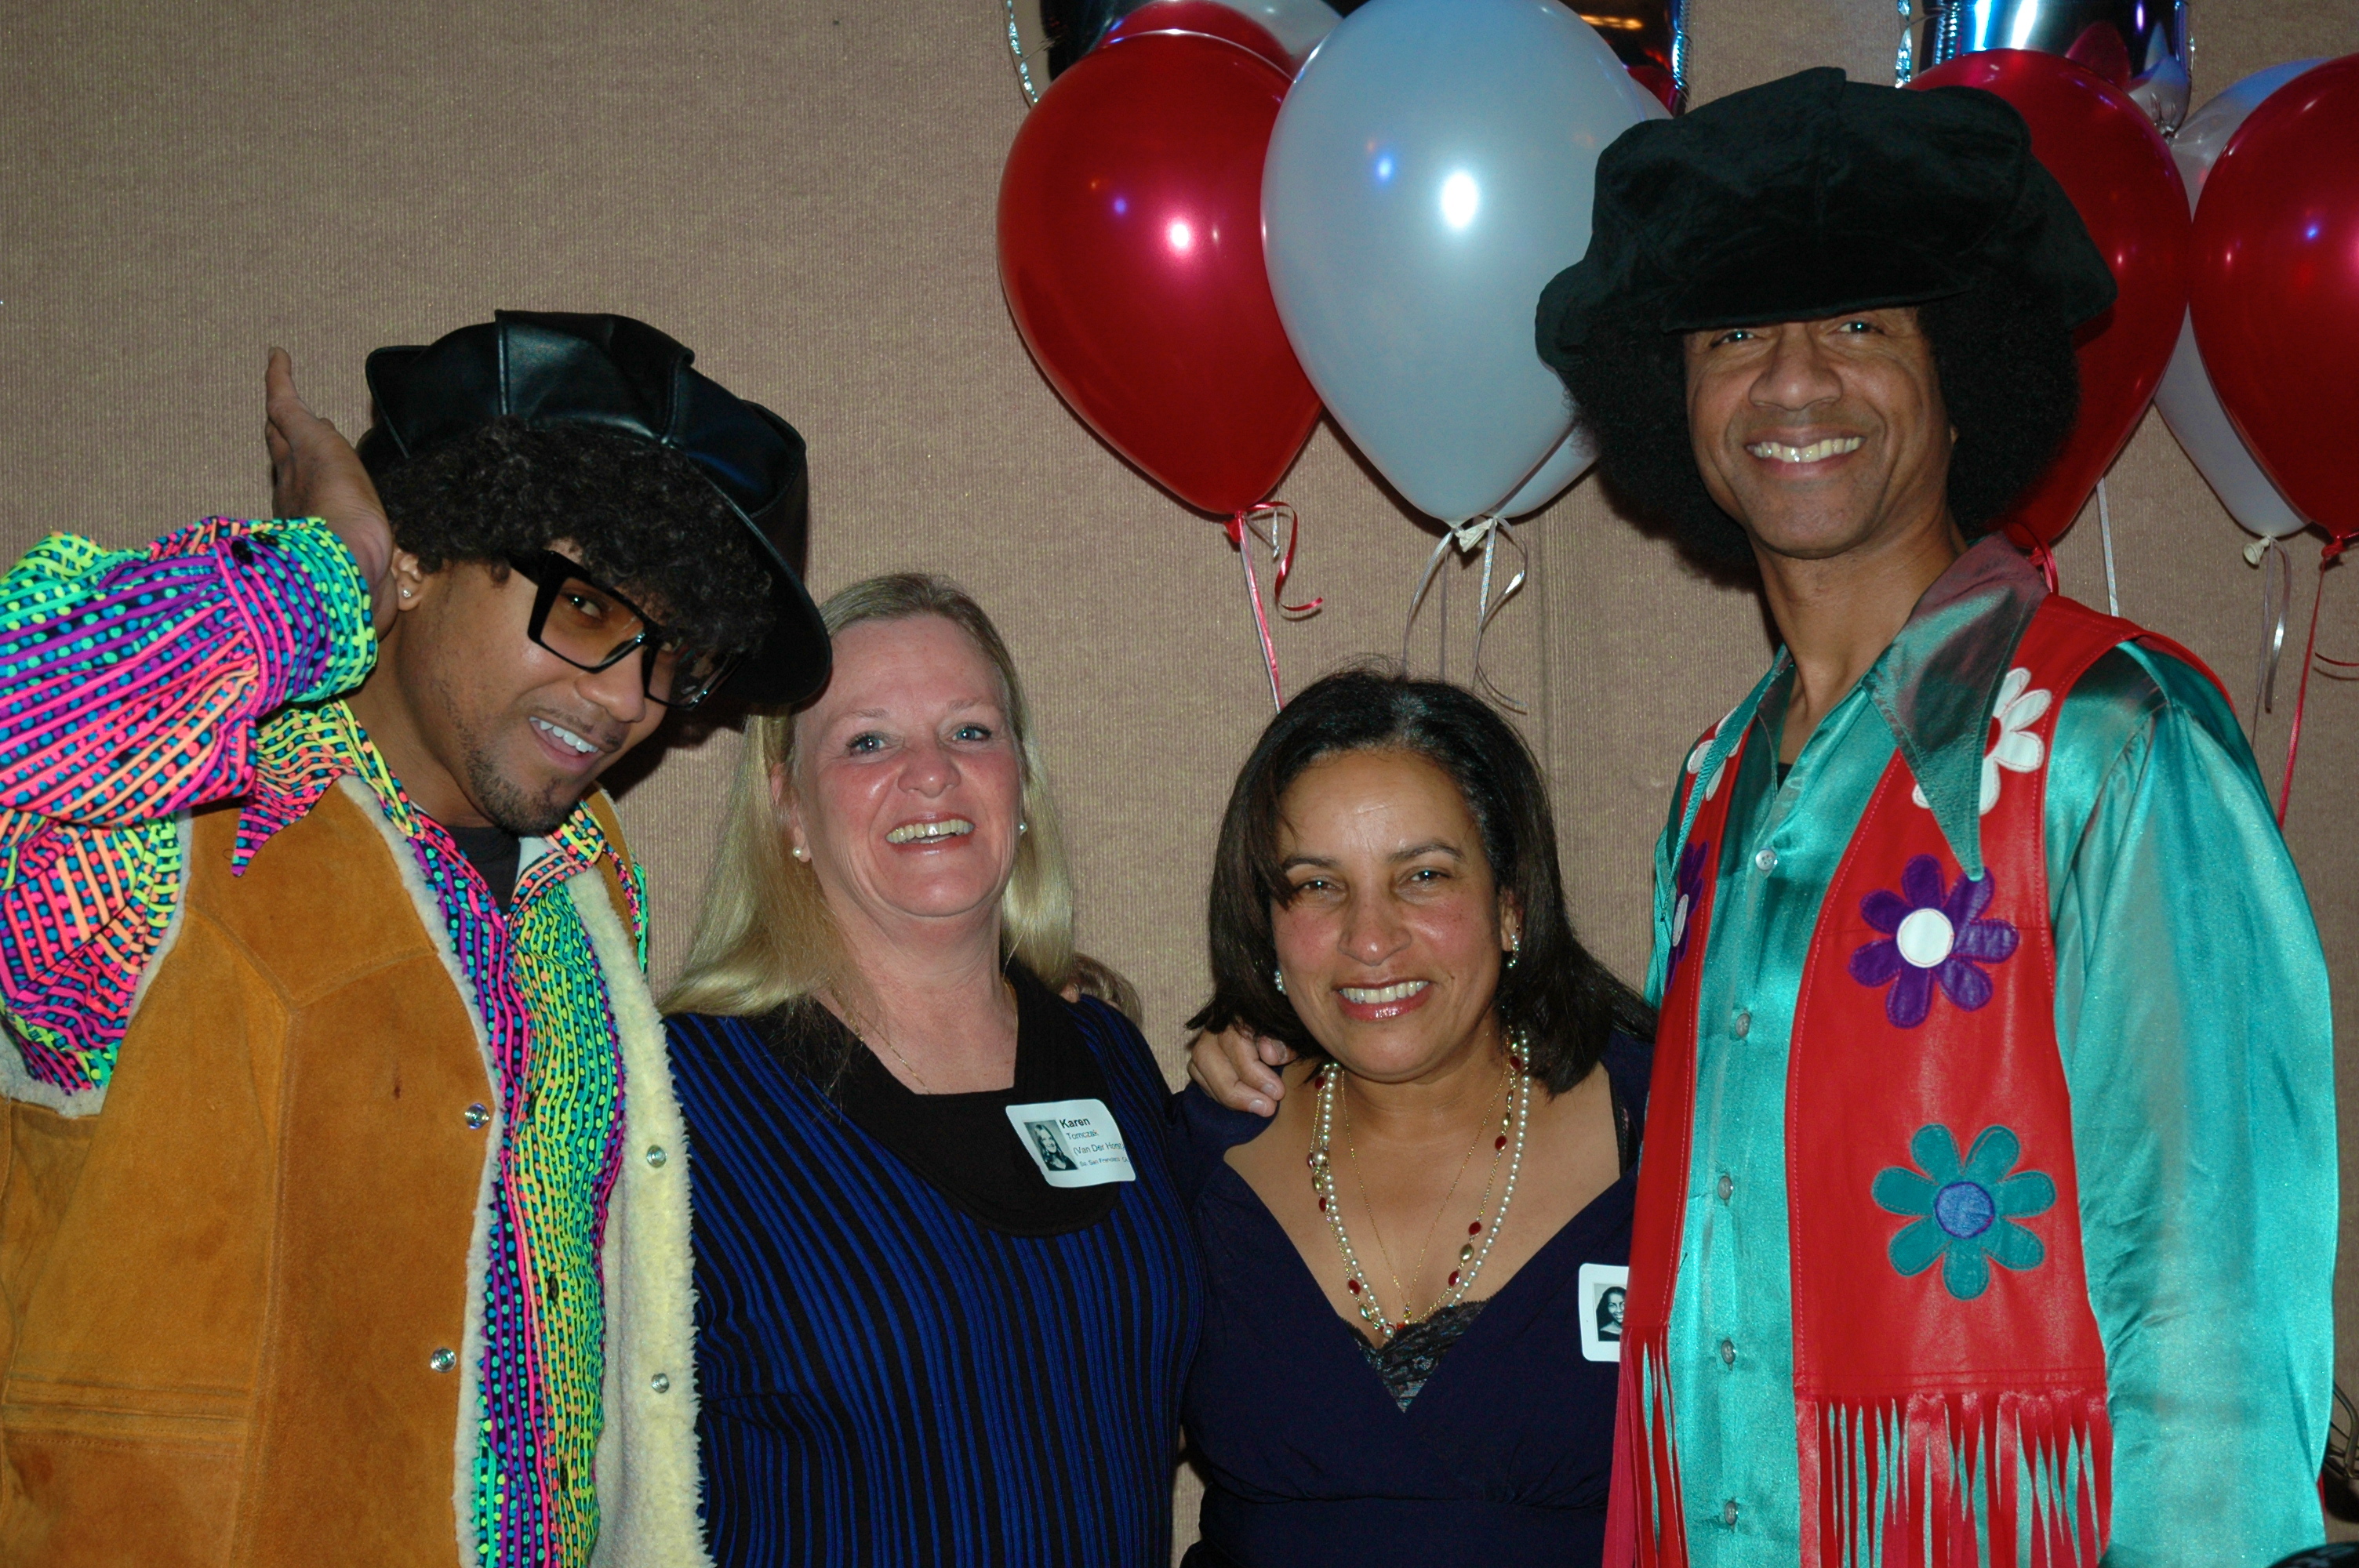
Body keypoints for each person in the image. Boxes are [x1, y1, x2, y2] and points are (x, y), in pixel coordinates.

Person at [1198, 67, 2335, 1566]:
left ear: (1957, 370)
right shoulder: (1717, 786)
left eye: (1859, 325)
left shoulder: (2111, 744)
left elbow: (2212, 1323)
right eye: (1733, 335)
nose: (1792, 383)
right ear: (1675, 399)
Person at [0, 310, 829, 1566]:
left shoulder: (585, 893)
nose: (626, 699)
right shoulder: (177, 839)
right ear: (423, 557)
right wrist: (323, 568)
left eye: (673, 657)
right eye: (586, 608)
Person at [662, 573, 1203, 1566]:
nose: (931, 773)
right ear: (787, 807)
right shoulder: (679, 1096)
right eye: (868, 741)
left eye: (970, 730)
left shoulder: (1108, 1054)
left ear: (1020, 784)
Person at [1176, 668, 1654, 1566]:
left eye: (1423, 875)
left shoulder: (1682, 1142)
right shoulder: (1189, 1161)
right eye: (1317, 885)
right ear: (1267, 924)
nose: (1369, 937)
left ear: (1510, 903)